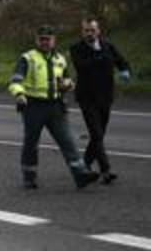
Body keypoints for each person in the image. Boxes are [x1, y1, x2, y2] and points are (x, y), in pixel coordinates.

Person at [8, 27, 98, 190]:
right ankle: (29, 176)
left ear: (53, 40)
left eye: (48, 39)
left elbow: (68, 80)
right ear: (37, 40)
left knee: (67, 141)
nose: (45, 42)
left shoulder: (60, 59)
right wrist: (19, 94)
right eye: (41, 39)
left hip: (55, 106)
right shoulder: (27, 58)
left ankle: (80, 175)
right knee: (31, 142)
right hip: (33, 106)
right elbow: (15, 80)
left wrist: (68, 85)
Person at [69, 18, 132, 184]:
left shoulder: (107, 46)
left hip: (105, 96)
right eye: (86, 31)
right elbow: (83, 66)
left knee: (99, 135)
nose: (89, 33)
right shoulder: (77, 48)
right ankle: (106, 170)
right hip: (87, 97)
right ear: (82, 32)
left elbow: (121, 61)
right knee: (96, 133)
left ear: (98, 31)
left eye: (92, 30)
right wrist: (101, 56)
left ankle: (85, 165)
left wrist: (125, 70)